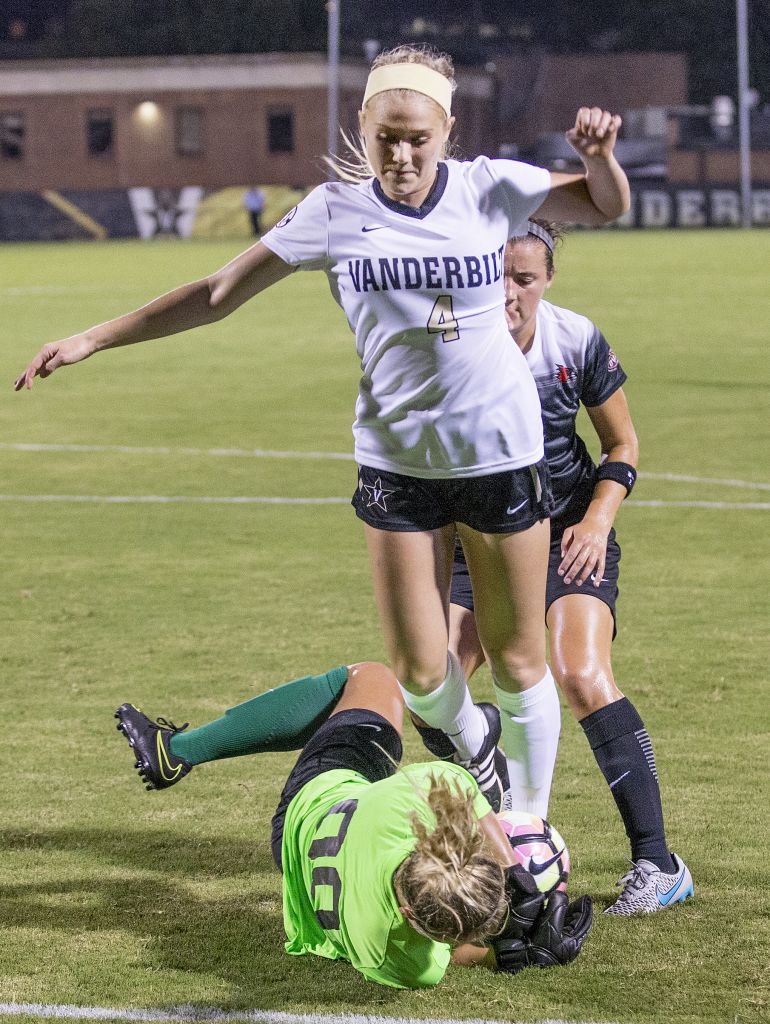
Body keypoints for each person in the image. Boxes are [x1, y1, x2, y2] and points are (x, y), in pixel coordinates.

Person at [14, 45, 630, 819]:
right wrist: (93, 338)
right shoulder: (332, 213)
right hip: (396, 465)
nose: (402, 155)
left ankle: (528, 829)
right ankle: (477, 745)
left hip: (500, 456)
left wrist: (601, 159)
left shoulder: (489, 188)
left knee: (516, 659)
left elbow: (603, 205)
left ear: (446, 130)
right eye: (386, 138)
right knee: (418, 674)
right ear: (363, 126)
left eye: (419, 138)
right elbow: (216, 293)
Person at [424, 220, 692, 915]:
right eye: (497, 276)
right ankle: (507, 810)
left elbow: (622, 443)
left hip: (568, 531)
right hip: (480, 537)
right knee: (432, 685)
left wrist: (598, 520)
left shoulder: (573, 341)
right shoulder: (445, 338)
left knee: (578, 671)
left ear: (545, 281)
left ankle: (658, 865)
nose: (509, 291)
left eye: (525, 278)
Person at [114, 660, 592, 987]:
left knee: (372, 677)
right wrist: (507, 957)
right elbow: (453, 952)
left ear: (433, 851)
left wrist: (513, 874)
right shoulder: (400, 959)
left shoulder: (402, 807)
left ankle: (175, 752)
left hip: (320, 792)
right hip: (292, 855)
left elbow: (458, 788)